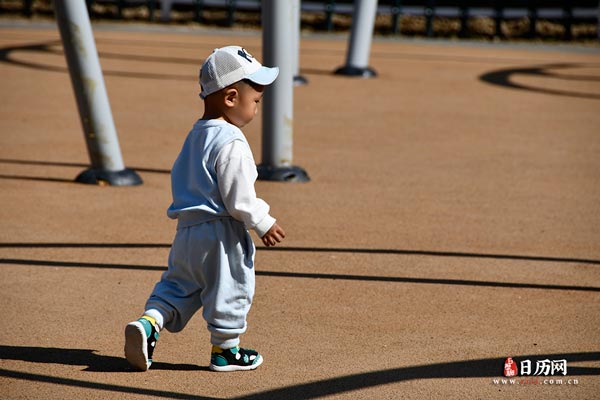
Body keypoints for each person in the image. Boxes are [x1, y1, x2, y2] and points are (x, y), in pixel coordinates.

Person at [124, 46, 285, 372]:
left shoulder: (195, 135)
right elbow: (238, 197)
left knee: (177, 286)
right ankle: (225, 351)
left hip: (187, 231)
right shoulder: (233, 141)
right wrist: (263, 222)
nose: (256, 109)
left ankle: (149, 322)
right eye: (255, 101)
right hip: (220, 232)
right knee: (232, 286)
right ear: (230, 98)